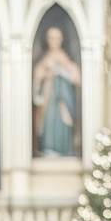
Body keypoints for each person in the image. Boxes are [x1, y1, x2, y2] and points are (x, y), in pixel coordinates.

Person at [32, 26, 81, 157]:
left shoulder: (65, 57)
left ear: (61, 40)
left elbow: (76, 78)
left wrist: (62, 66)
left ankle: (63, 149)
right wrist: (47, 72)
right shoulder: (45, 58)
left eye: (57, 38)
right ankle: (49, 148)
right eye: (51, 38)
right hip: (49, 100)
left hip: (63, 100)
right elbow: (37, 76)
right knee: (49, 122)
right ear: (47, 40)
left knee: (62, 122)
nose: (54, 41)